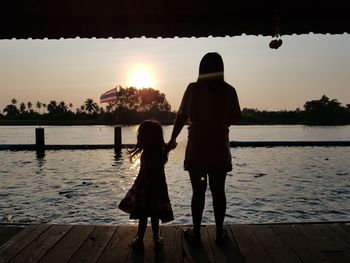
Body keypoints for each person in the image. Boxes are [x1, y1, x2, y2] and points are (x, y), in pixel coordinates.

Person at [167, 52, 241, 245]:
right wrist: (220, 124)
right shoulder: (229, 91)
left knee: (198, 192)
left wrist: (172, 140)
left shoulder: (192, 90)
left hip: (197, 149)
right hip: (219, 148)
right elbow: (236, 117)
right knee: (219, 191)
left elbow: (181, 117)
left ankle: (197, 234)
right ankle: (218, 233)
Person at [119, 120, 174, 249]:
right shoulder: (158, 153)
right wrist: (167, 150)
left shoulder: (146, 154)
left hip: (145, 189)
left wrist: (167, 149)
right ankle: (156, 238)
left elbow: (148, 172)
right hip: (156, 189)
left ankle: (140, 240)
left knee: (143, 216)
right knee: (154, 215)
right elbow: (160, 163)